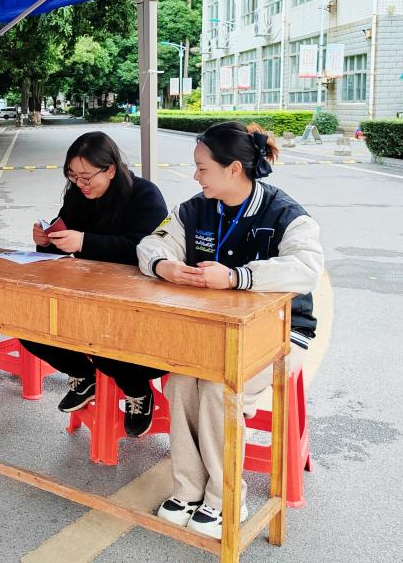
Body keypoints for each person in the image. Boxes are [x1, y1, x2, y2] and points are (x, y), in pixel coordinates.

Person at [137, 121, 323, 540]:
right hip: (213, 329)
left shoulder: (285, 214)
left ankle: (226, 498)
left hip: (280, 333)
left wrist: (238, 277)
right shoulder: (194, 209)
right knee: (180, 382)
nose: (195, 176)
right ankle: (188, 490)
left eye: (202, 168)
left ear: (233, 168)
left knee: (219, 389)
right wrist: (164, 265)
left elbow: (307, 268)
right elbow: (152, 243)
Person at [22, 131, 168, 437]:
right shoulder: (77, 195)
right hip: (87, 291)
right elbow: (62, 239)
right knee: (26, 323)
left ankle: (137, 390)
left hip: (136, 297)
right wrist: (46, 240)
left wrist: (84, 242)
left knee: (103, 339)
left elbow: (144, 250)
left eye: (87, 177)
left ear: (111, 170)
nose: (81, 184)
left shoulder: (145, 195)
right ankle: (83, 374)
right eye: (73, 176)